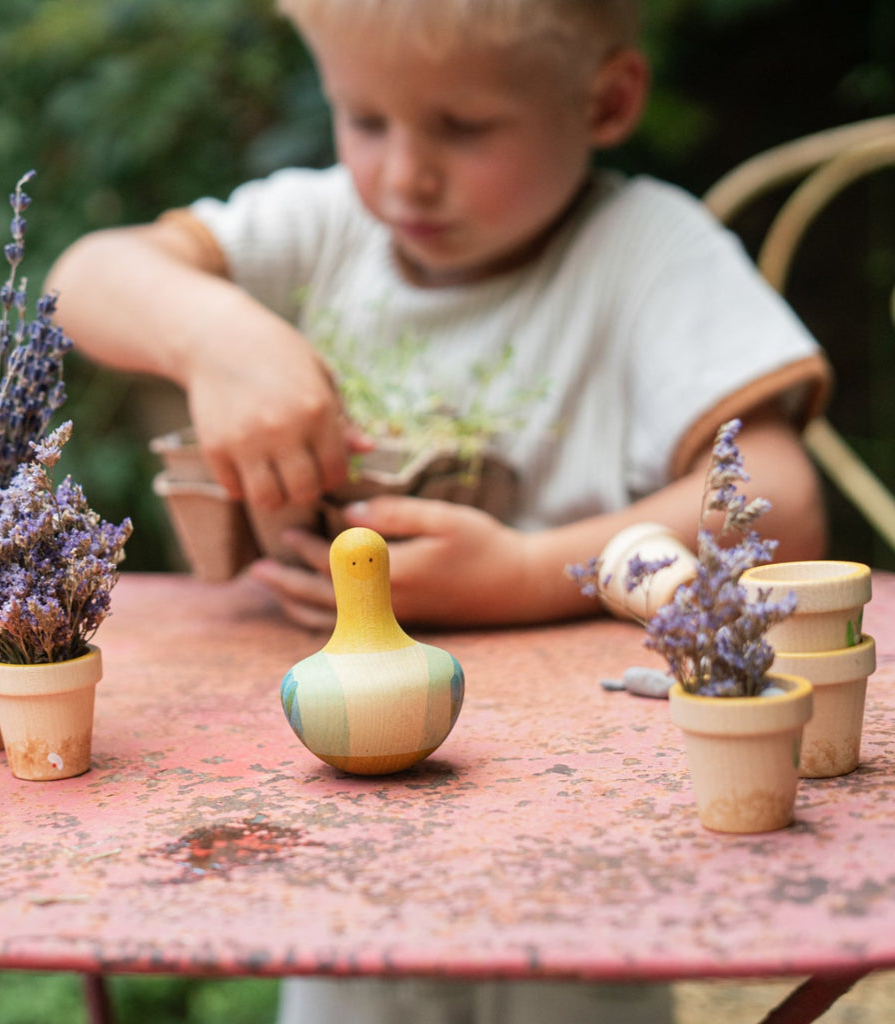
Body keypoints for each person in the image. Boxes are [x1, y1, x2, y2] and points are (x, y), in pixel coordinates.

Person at [47, 0, 830, 1019]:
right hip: (334, 820)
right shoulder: (324, 227)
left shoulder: (647, 249)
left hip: (582, 830)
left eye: (464, 127)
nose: (403, 175)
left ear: (604, 101)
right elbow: (83, 276)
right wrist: (216, 338)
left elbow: (782, 501)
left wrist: (524, 573)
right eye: (365, 120)